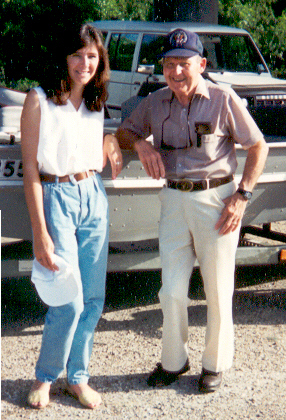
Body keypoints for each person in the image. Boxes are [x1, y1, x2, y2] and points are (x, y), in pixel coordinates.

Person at [114, 28, 269, 392]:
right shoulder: (154, 102)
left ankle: (214, 364)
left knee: (217, 289)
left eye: (184, 63)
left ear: (200, 64)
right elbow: (123, 133)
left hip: (218, 201)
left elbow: (258, 146)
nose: (176, 71)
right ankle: (174, 361)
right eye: (169, 64)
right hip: (173, 201)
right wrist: (141, 145)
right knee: (170, 291)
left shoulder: (222, 98)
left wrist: (242, 194)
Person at [21, 23, 122, 409]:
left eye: (93, 56)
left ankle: (77, 377)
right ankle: (46, 376)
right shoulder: (39, 99)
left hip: (93, 195)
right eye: (78, 55)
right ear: (65, 57)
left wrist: (110, 140)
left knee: (94, 297)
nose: (85, 63)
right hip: (56, 195)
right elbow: (31, 170)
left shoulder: (96, 101)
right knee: (68, 299)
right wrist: (40, 233)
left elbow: (97, 143)